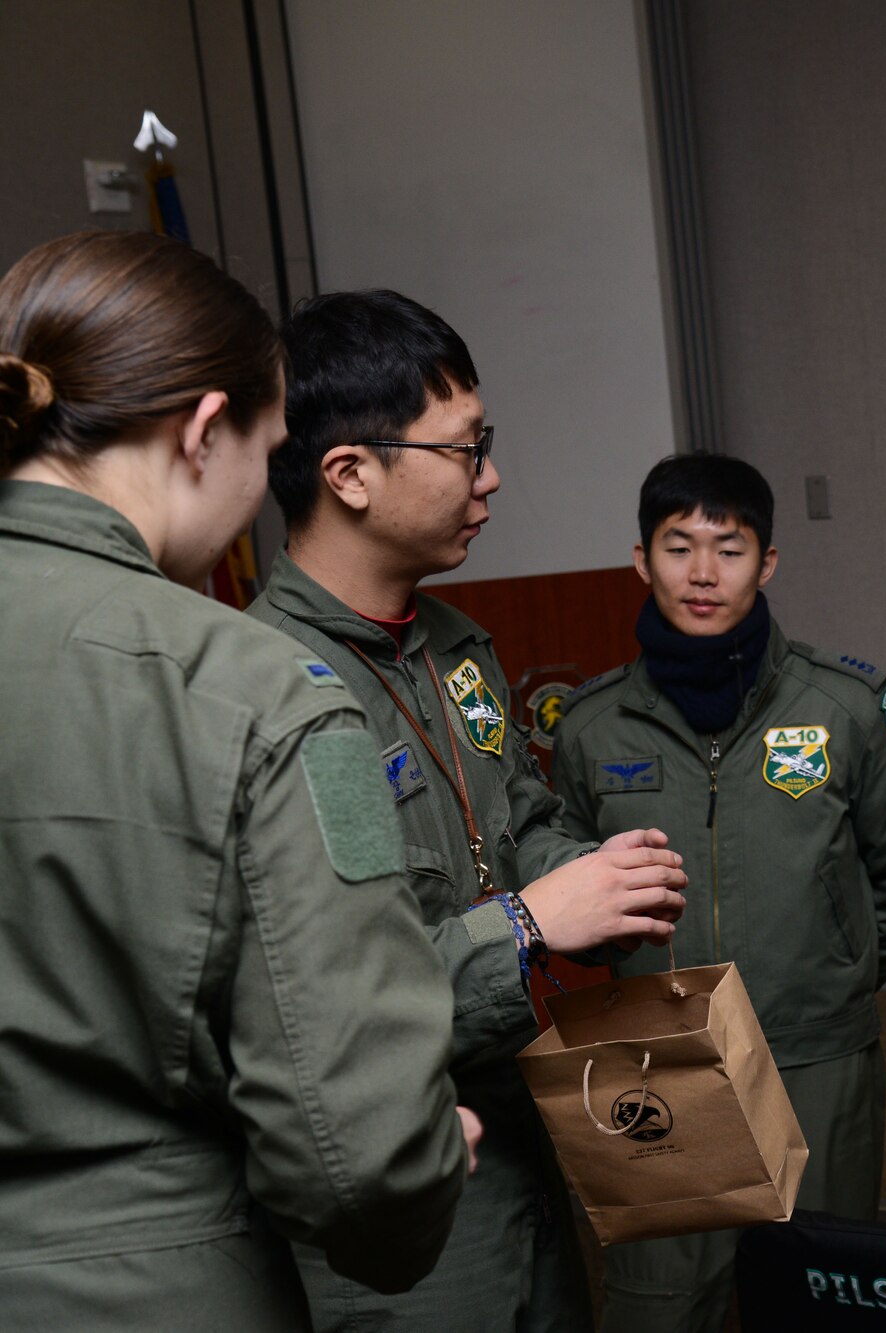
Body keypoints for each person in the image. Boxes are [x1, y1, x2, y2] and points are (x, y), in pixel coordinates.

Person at [0, 231, 472, 1327]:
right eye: (266, 454)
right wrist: (422, 1159)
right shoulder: (252, 685)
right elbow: (360, 1161)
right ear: (206, 429)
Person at [249, 289, 689, 1331]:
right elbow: (321, 997)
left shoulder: (455, 645)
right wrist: (534, 921)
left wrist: (597, 868)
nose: (489, 477)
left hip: (519, 1113)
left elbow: (514, 813)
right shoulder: (262, 688)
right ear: (349, 473)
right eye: (462, 449)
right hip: (400, 1158)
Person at [550, 454, 886, 1332]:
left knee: (820, 1295)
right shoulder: (590, 724)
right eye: (678, 546)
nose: (702, 572)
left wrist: (838, 964)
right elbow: (560, 881)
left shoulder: (849, 706)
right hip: (654, 1053)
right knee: (659, 1304)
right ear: (640, 559)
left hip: (814, 1050)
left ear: (767, 561)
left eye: (728, 549)